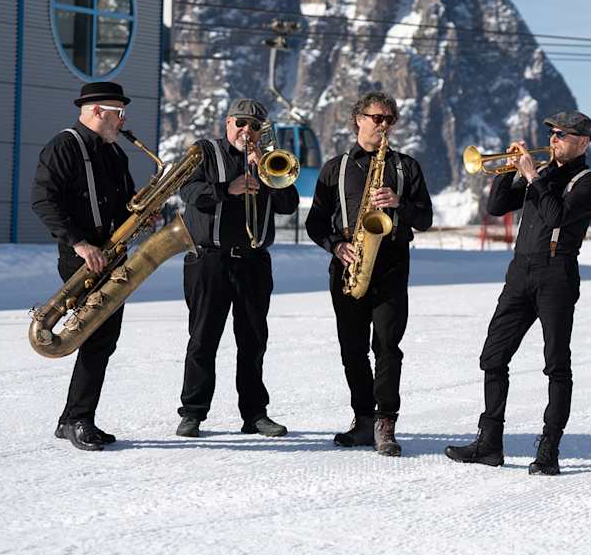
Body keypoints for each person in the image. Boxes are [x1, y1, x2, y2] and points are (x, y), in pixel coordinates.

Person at [445, 111, 591, 476]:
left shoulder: (588, 181)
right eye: (551, 133)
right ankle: (489, 444)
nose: (553, 139)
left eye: (562, 135)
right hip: (520, 273)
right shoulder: (544, 174)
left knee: (555, 364)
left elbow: (555, 216)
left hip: (556, 274)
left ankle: (549, 450)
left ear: (582, 142)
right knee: (493, 355)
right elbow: (497, 207)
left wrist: (532, 175)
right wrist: (509, 171)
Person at [305, 92, 433, 457]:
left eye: (390, 119)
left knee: (388, 347)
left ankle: (385, 422)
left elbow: (425, 218)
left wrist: (399, 205)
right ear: (358, 119)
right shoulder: (335, 167)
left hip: (391, 263)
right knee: (352, 349)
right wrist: (335, 245)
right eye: (378, 118)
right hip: (349, 262)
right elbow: (315, 222)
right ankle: (363, 419)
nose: (384, 125)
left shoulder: (407, 167)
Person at [174, 98, 300, 438]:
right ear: (227, 123)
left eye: (255, 126)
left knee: (253, 341)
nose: (247, 131)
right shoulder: (204, 152)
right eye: (241, 123)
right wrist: (227, 189)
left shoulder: (269, 160)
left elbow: (289, 205)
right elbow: (188, 192)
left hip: (254, 262)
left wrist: (266, 171)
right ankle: (193, 413)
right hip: (209, 260)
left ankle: (255, 415)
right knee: (203, 340)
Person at [31, 81, 136, 452]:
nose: (122, 122)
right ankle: (77, 419)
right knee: (95, 338)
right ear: (96, 111)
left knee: (104, 340)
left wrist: (143, 214)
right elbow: (43, 200)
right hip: (82, 258)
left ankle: (74, 418)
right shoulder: (63, 146)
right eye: (118, 114)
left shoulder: (114, 154)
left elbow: (125, 204)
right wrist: (79, 243)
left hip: (113, 255)